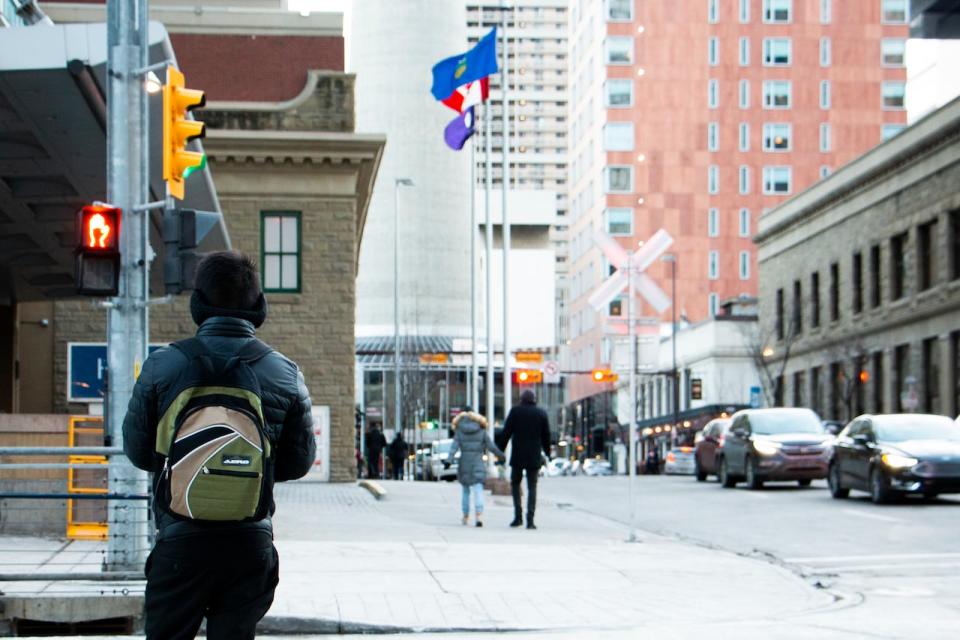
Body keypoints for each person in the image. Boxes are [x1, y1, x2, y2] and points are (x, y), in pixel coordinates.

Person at [122, 251, 315, 640]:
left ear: (198, 305)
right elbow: (298, 462)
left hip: (179, 538)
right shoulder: (286, 373)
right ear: (258, 308)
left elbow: (139, 452)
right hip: (249, 541)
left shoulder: (161, 365)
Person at [499, 389, 551, 530]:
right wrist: (548, 452)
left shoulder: (515, 412)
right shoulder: (541, 413)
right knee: (532, 487)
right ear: (534, 399)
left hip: (518, 455)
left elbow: (506, 432)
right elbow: (546, 436)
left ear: (521, 399)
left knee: (515, 484)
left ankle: (518, 517)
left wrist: (500, 450)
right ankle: (530, 520)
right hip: (534, 456)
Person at [448, 408, 504, 527]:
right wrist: (501, 456)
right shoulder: (481, 430)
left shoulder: (459, 430)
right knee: (478, 489)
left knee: (465, 491)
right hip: (478, 462)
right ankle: (479, 516)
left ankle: (465, 516)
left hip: (464, 463)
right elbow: (491, 447)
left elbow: (454, 447)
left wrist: (449, 460)